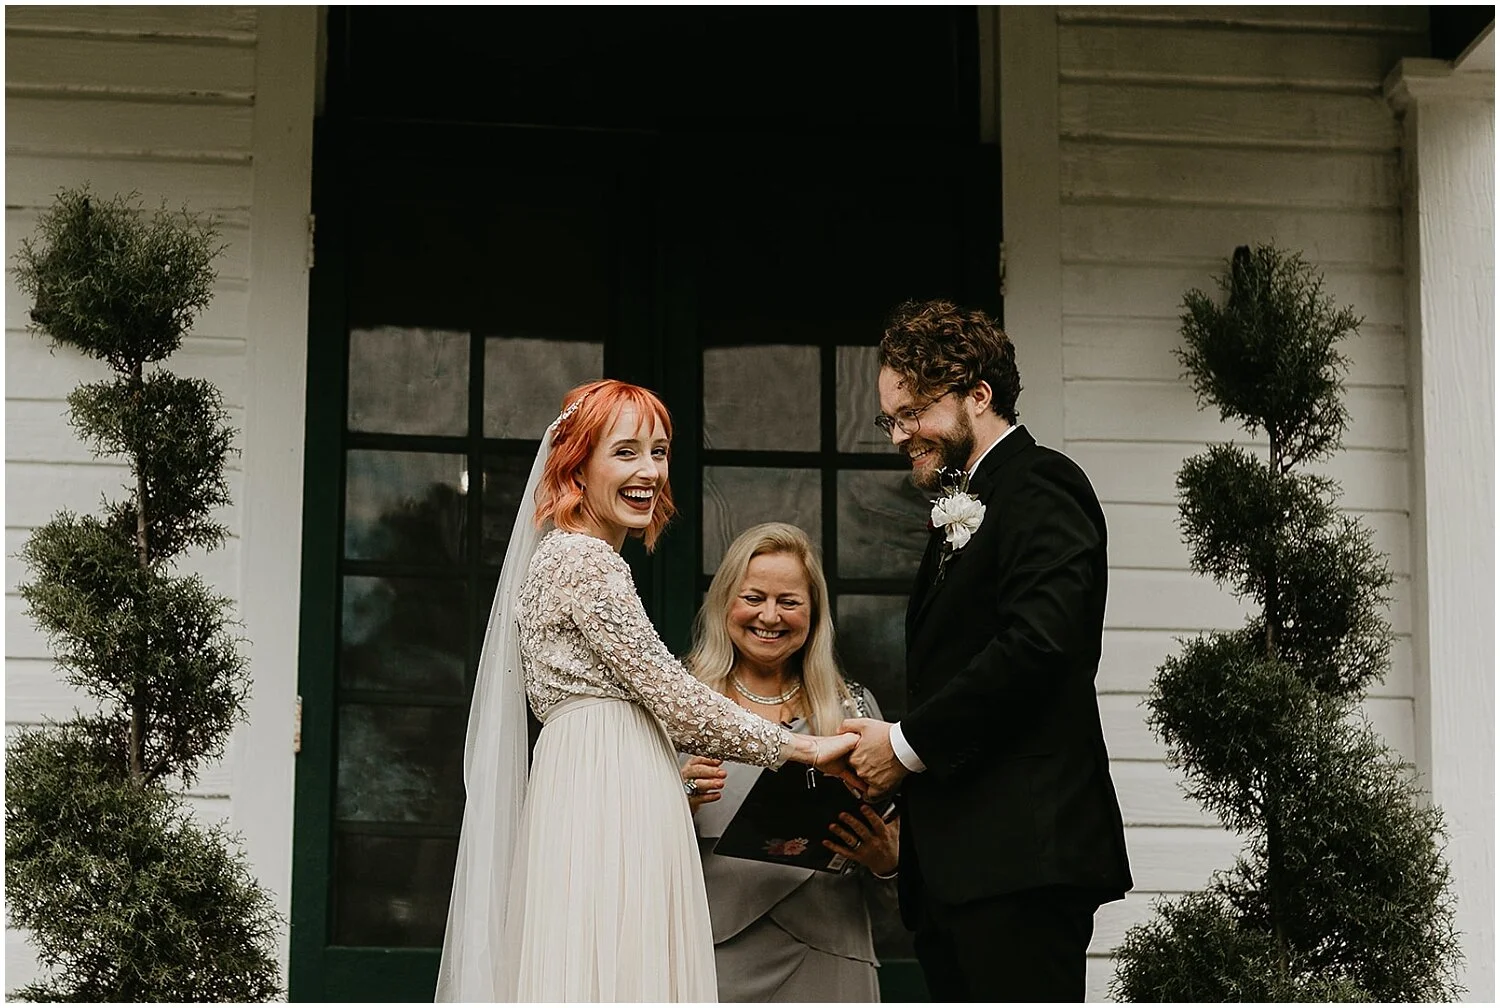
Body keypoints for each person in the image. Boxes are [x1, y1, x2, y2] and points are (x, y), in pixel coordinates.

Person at [435, 380, 858, 1002]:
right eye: (626, 452)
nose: (649, 472)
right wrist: (807, 751)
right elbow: (679, 703)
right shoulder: (586, 560)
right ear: (576, 463)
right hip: (602, 792)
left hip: (597, 782)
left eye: (659, 452)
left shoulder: (564, 557)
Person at [840, 300, 1133, 1002]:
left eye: (913, 412)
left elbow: (1042, 646)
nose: (899, 435)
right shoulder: (963, 503)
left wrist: (905, 745)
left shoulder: (1042, 486)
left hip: (1021, 863)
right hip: (961, 871)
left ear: (980, 394)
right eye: (891, 418)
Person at [678, 522, 900, 1002]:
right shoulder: (681, 703)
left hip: (830, 952)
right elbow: (620, 847)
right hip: (710, 953)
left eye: (789, 602)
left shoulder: (855, 712)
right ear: (724, 604)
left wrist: (888, 862)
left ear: (814, 614)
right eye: (753, 597)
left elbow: (904, 869)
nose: (770, 617)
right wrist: (677, 798)